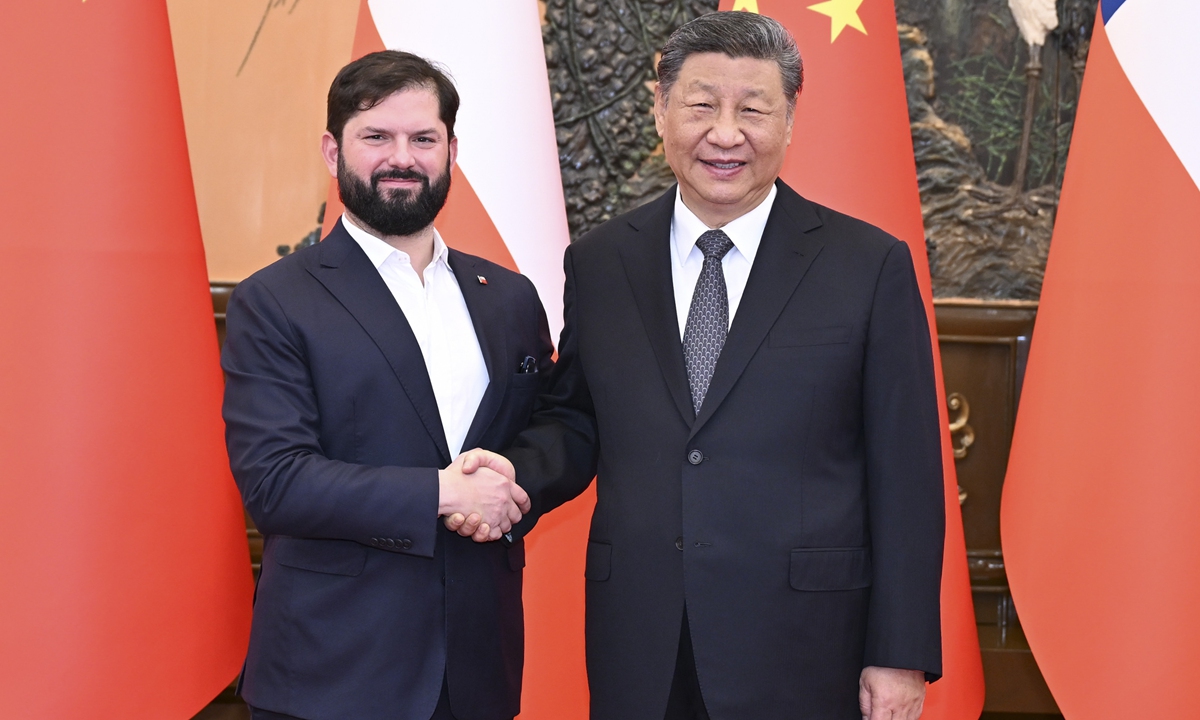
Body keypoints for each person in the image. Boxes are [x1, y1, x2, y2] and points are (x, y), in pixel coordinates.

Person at [453, 11, 944, 720]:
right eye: (702, 105)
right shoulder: (601, 261)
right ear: (660, 110)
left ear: (790, 119)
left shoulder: (867, 267)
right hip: (642, 640)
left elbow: (907, 475)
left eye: (753, 109)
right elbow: (581, 418)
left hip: (806, 645)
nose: (725, 133)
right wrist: (508, 481)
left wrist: (899, 654)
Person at [221, 50, 552, 720]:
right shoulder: (275, 301)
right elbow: (276, 483)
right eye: (376, 136)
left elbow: (544, 435)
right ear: (331, 149)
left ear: (452, 150)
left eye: (423, 139)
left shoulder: (510, 298)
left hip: (477, 671)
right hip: (332, 673)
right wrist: (442, 492)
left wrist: (507, 488)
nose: (401, 157)